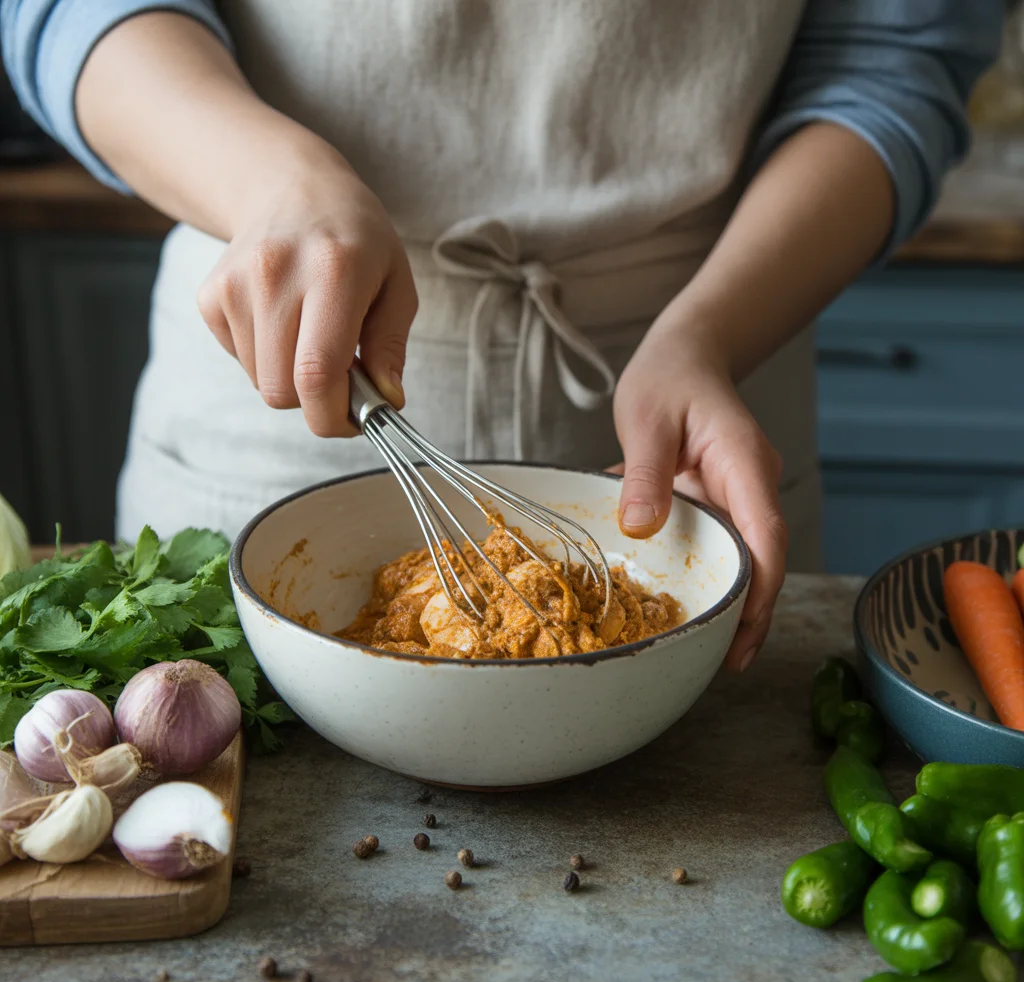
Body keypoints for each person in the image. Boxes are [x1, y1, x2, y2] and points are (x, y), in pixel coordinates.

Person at [2, 1, 1004, 671]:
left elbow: (893, 54)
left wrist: (709, 331)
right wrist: (272, 183)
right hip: (280, 336)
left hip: (700, 342)